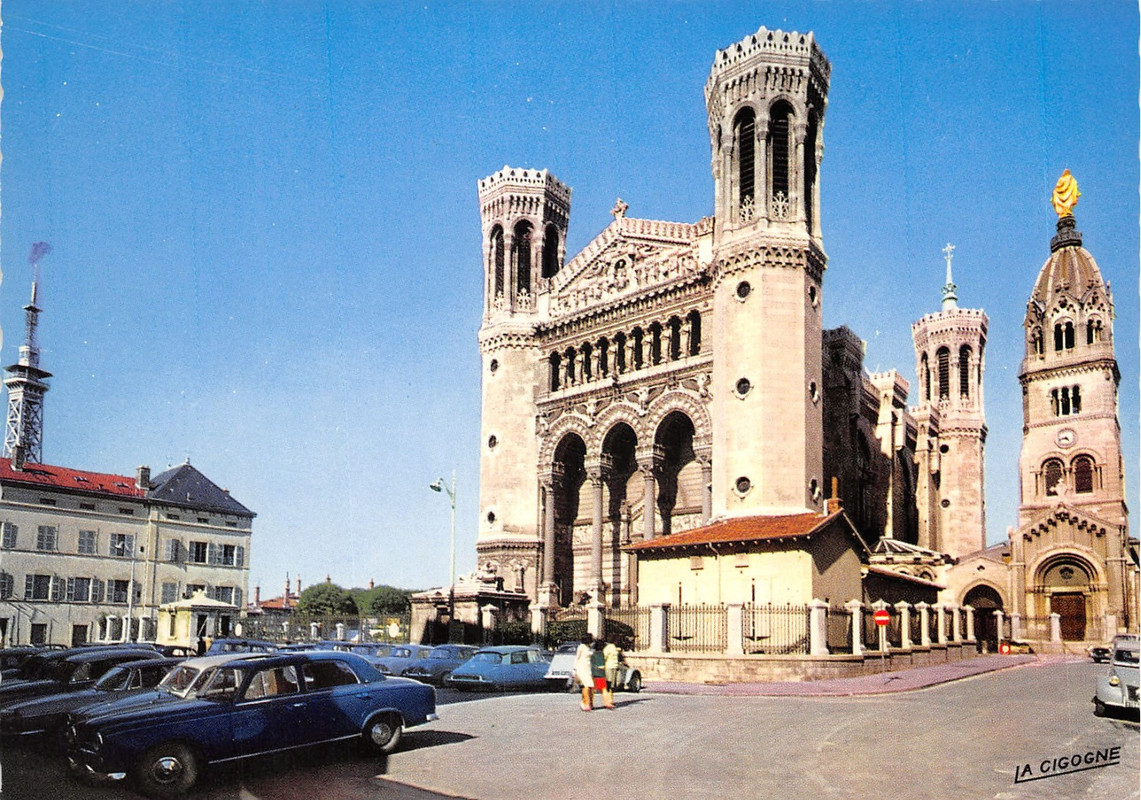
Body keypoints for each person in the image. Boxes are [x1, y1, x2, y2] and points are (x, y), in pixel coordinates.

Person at [574, 633, 595, 711]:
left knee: (591, 686)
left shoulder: (588, 647)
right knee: (587, 685)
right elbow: (577, 658)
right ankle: (585, 703)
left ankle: (589, 702)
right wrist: (574, 669)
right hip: (581, 668)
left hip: (588, 668)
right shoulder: (581, 647)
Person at [602, 639, 621, 709]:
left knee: (613, 685)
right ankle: (608, 701)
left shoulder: (615, 648)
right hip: (609, 667)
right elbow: (604, 657)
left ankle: (610, 700)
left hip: (615, 667)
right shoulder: (608, 648)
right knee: (609, 685)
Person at [590, 640, 607, 708]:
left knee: (592, 691)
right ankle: (607, 703)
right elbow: (602, 664)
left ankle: (590, 704)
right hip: (601, 674)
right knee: (603, 689)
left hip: (593, 673)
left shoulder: (593, 654)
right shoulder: (601, 654)